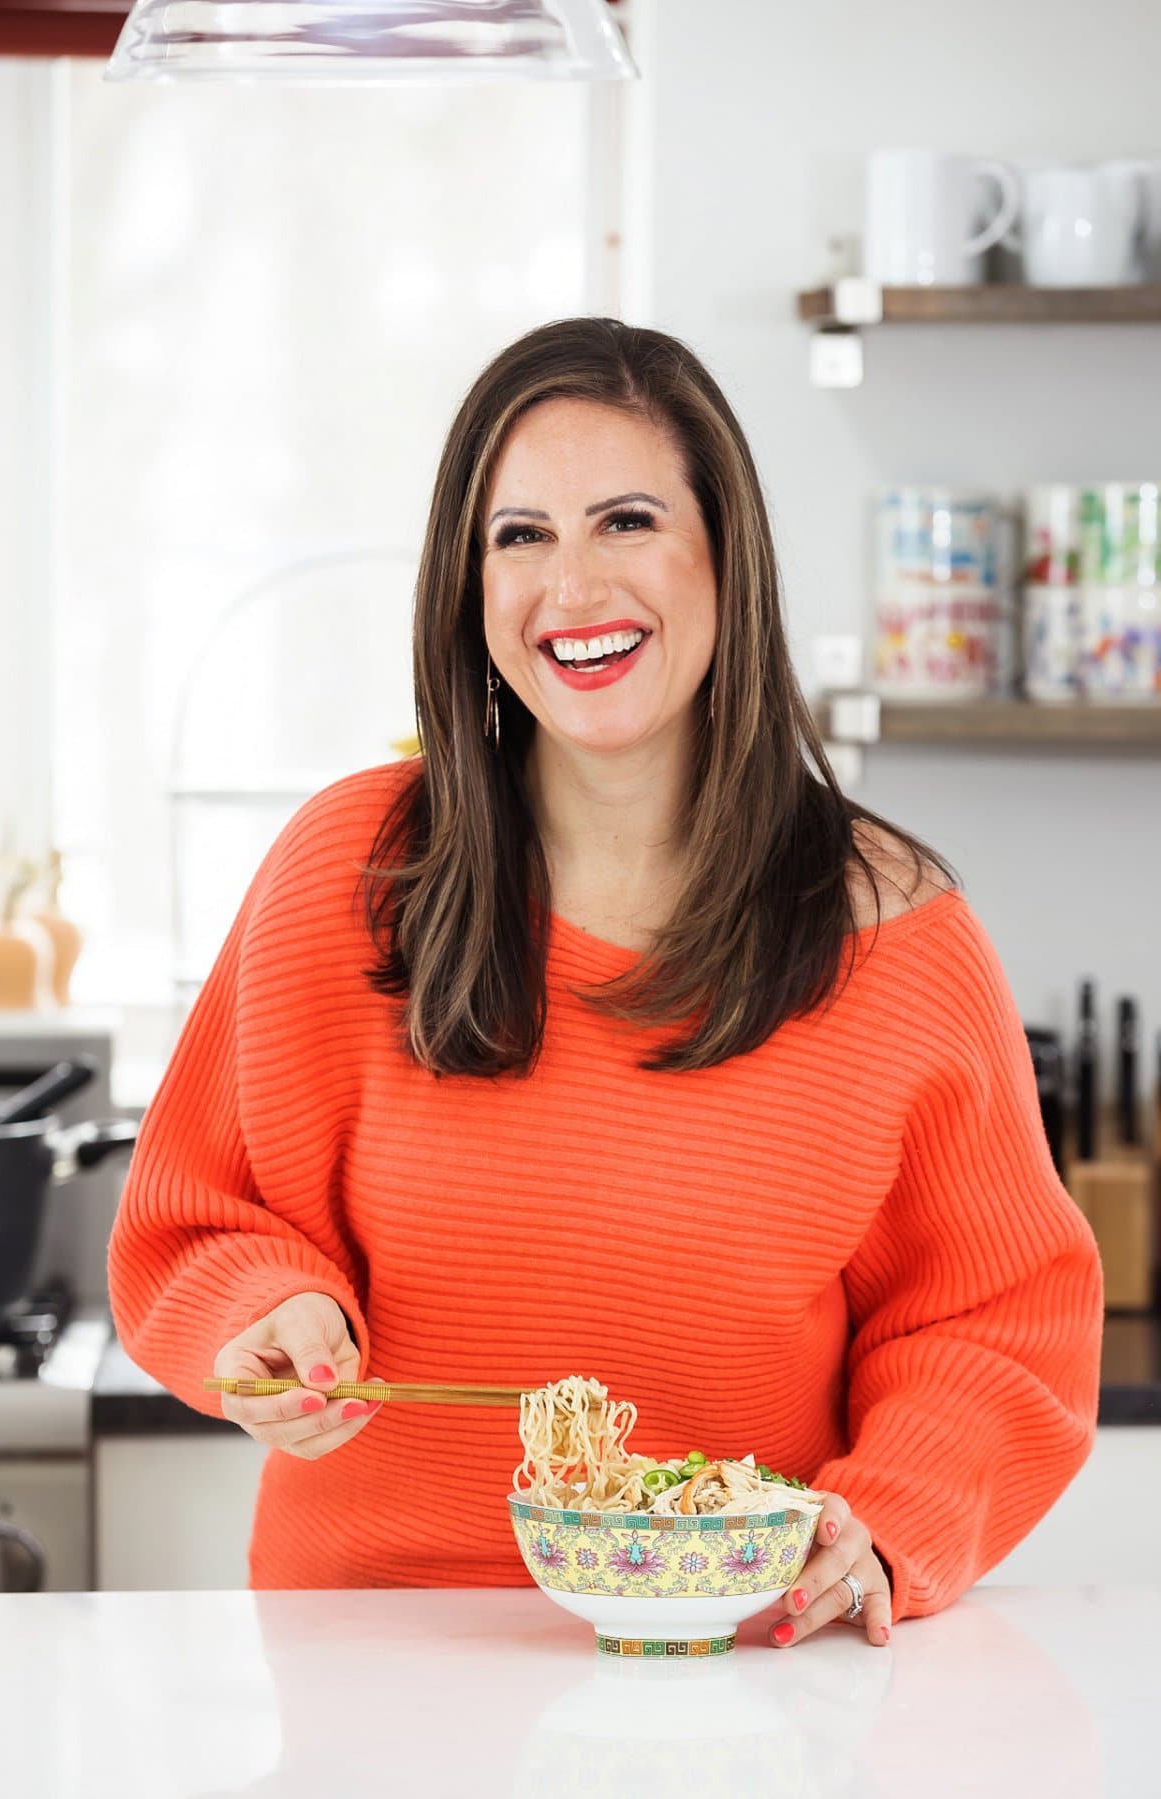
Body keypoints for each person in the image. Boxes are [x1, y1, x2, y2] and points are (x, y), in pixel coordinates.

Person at [108, 317, 1103, 1648]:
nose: (571, 588)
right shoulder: (345, 869)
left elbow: (991, 1325)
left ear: (723, 557)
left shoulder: (895, 933)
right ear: (468, 587)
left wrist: (890, 1516)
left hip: (737, 1669)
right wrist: (265, 1312)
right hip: (375, 1660)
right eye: (520, 536)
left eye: (625, 520)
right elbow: (198, 1216)